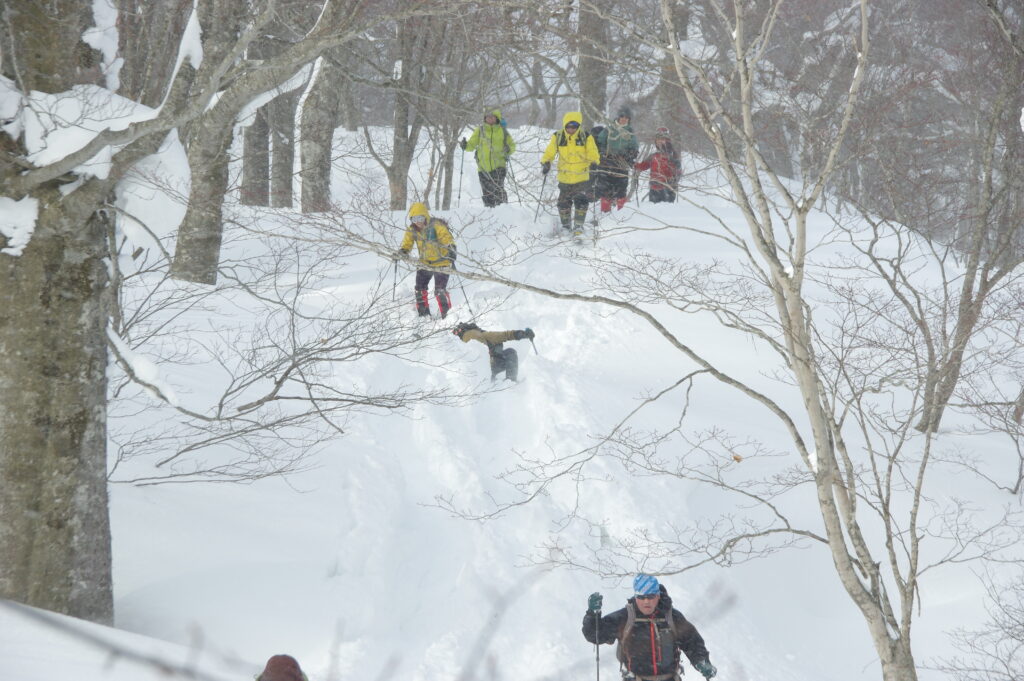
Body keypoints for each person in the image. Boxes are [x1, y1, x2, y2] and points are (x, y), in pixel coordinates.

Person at [583, 574, 717, 680]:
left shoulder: (671, 617)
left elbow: (692, 642)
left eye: (650, 596)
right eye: (642, 597)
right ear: (636, 597)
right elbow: (595, 635)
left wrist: (702, 662)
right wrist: (592, 615)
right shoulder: (625, 617)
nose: (646, 601)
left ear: (658, 596)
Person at [540, 111, 601, 236]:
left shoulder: (585, 136)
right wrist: (546, 162)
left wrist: (594, 162)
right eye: (568, 126)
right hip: (565, 176)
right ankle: (566, 226)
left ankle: (578, 226)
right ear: (564, 125)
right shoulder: (558, 136)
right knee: (563, 203)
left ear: (578, 126)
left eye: (574, 126)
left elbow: (592, 152)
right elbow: (550, 152)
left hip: (581, 176)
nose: (571, 129)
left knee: (581, 201)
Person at [395, 202, 457, 319]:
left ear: (425, 216)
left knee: (440, 291)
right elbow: (407, 244)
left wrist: (451, 249)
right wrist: (403, 251)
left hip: (442, 263)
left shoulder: (437, 226)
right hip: (424, 263)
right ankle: (424, 315)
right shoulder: (412, 230)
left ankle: (448, 316)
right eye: (414, 219)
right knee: (419, 289)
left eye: (420, 218)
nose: (418, 222)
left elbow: (447, 239)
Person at [460, 109, 516, 207]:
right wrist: (465, 145)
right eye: (487, 117)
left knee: (498, 191)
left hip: (499, 166)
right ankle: (490, 211)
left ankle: (503, 210)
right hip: (483, 168)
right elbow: (471, 145)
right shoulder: (480, 130)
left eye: (492, 117)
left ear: (497, 118)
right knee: (487, 194)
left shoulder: (503, 131)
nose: (489, 119)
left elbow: (512, 146)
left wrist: (508, 149)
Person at [452, 322, 535, 381]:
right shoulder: (480, 334)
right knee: (511, 352)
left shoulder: (459, 343)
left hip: (473, 374)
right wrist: (524, 334)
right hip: (492, 366)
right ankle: (511, 382)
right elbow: (505, 335)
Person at [595, 107, 639, 212]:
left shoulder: (630, 132)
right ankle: (605, 212)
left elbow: (634, 148)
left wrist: (629, 156)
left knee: (621, 191)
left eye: (626, 117)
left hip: (622, 165)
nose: (624, 119)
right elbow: (599, 142)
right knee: (605, 190)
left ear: (629, 119)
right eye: (622, 116)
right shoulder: (609, 129)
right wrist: (603, 153)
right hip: (607, 163)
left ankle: (621, 213)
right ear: (618, 117)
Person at [634, 128, 681, 203]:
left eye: (662, 139)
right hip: (654, 187)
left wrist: (672, 180)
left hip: (668, 188)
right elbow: (643, 165)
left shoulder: (672, 155)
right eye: (658, 139)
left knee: (665, 208)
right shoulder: (654, 155)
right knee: (653, 208)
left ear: (667, 140)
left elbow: (678, 172)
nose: (659, 141)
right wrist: (634, 165)